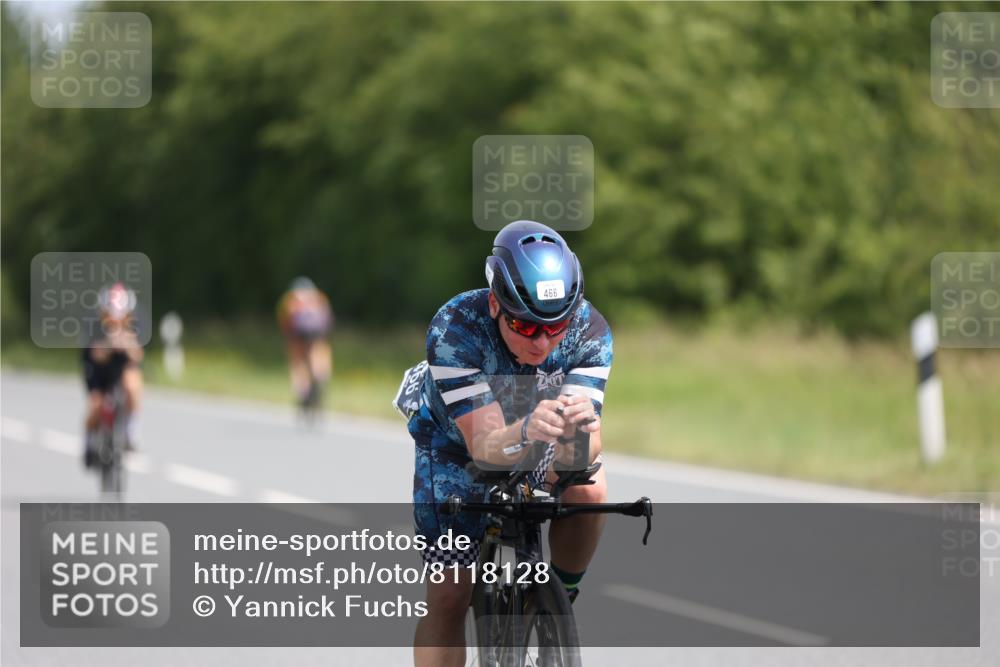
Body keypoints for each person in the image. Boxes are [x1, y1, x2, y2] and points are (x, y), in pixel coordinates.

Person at [403, 220, 612, 667]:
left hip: (538, 429)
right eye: (525, 324)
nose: (541, 341)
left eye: (556, 326)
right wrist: (524, 431)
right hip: (458, 443)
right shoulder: (455, 328)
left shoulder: (589, 330)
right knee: (450, 589)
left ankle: (556, 600)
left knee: (588, 487)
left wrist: (584, 434)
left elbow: (582, 455)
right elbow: (485, 447)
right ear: (496, 302)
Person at [82, 282, 144, 466]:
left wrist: (127, 342)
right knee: (96, 404)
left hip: (121, 368)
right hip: (98, 371)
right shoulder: (94, 324)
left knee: (132, 386)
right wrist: (110, 344)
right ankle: (89, 442)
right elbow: (96, 355)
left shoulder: (134, 324)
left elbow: (138, 355)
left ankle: (130, 433)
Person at [276, 277, 334, 409]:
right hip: (316, 332)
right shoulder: (319, 297)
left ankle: (302, 391)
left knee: (297, 362)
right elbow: (328, 320)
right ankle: (320, 377)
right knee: (318, 353)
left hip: (298, 333)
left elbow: (284, 322)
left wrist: (289, 338)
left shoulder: (289, 299)